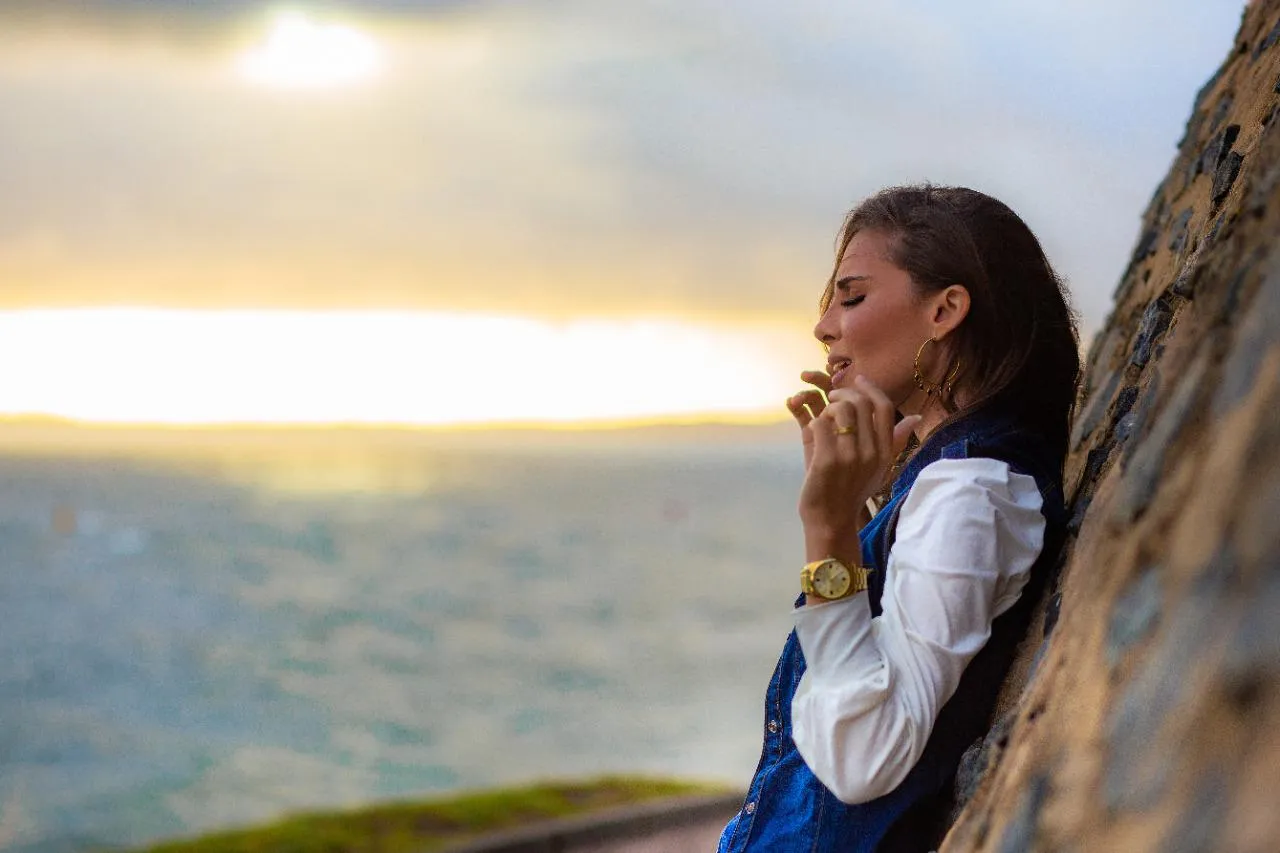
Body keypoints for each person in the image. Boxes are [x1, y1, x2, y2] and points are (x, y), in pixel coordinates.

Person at [718, 185, 1080, 852]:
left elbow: (865, 756)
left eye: (851, 296)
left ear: (945, 310)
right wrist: (860, 508)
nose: (825, 325)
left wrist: (826, 529)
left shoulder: (970, 491)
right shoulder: (954, 480)